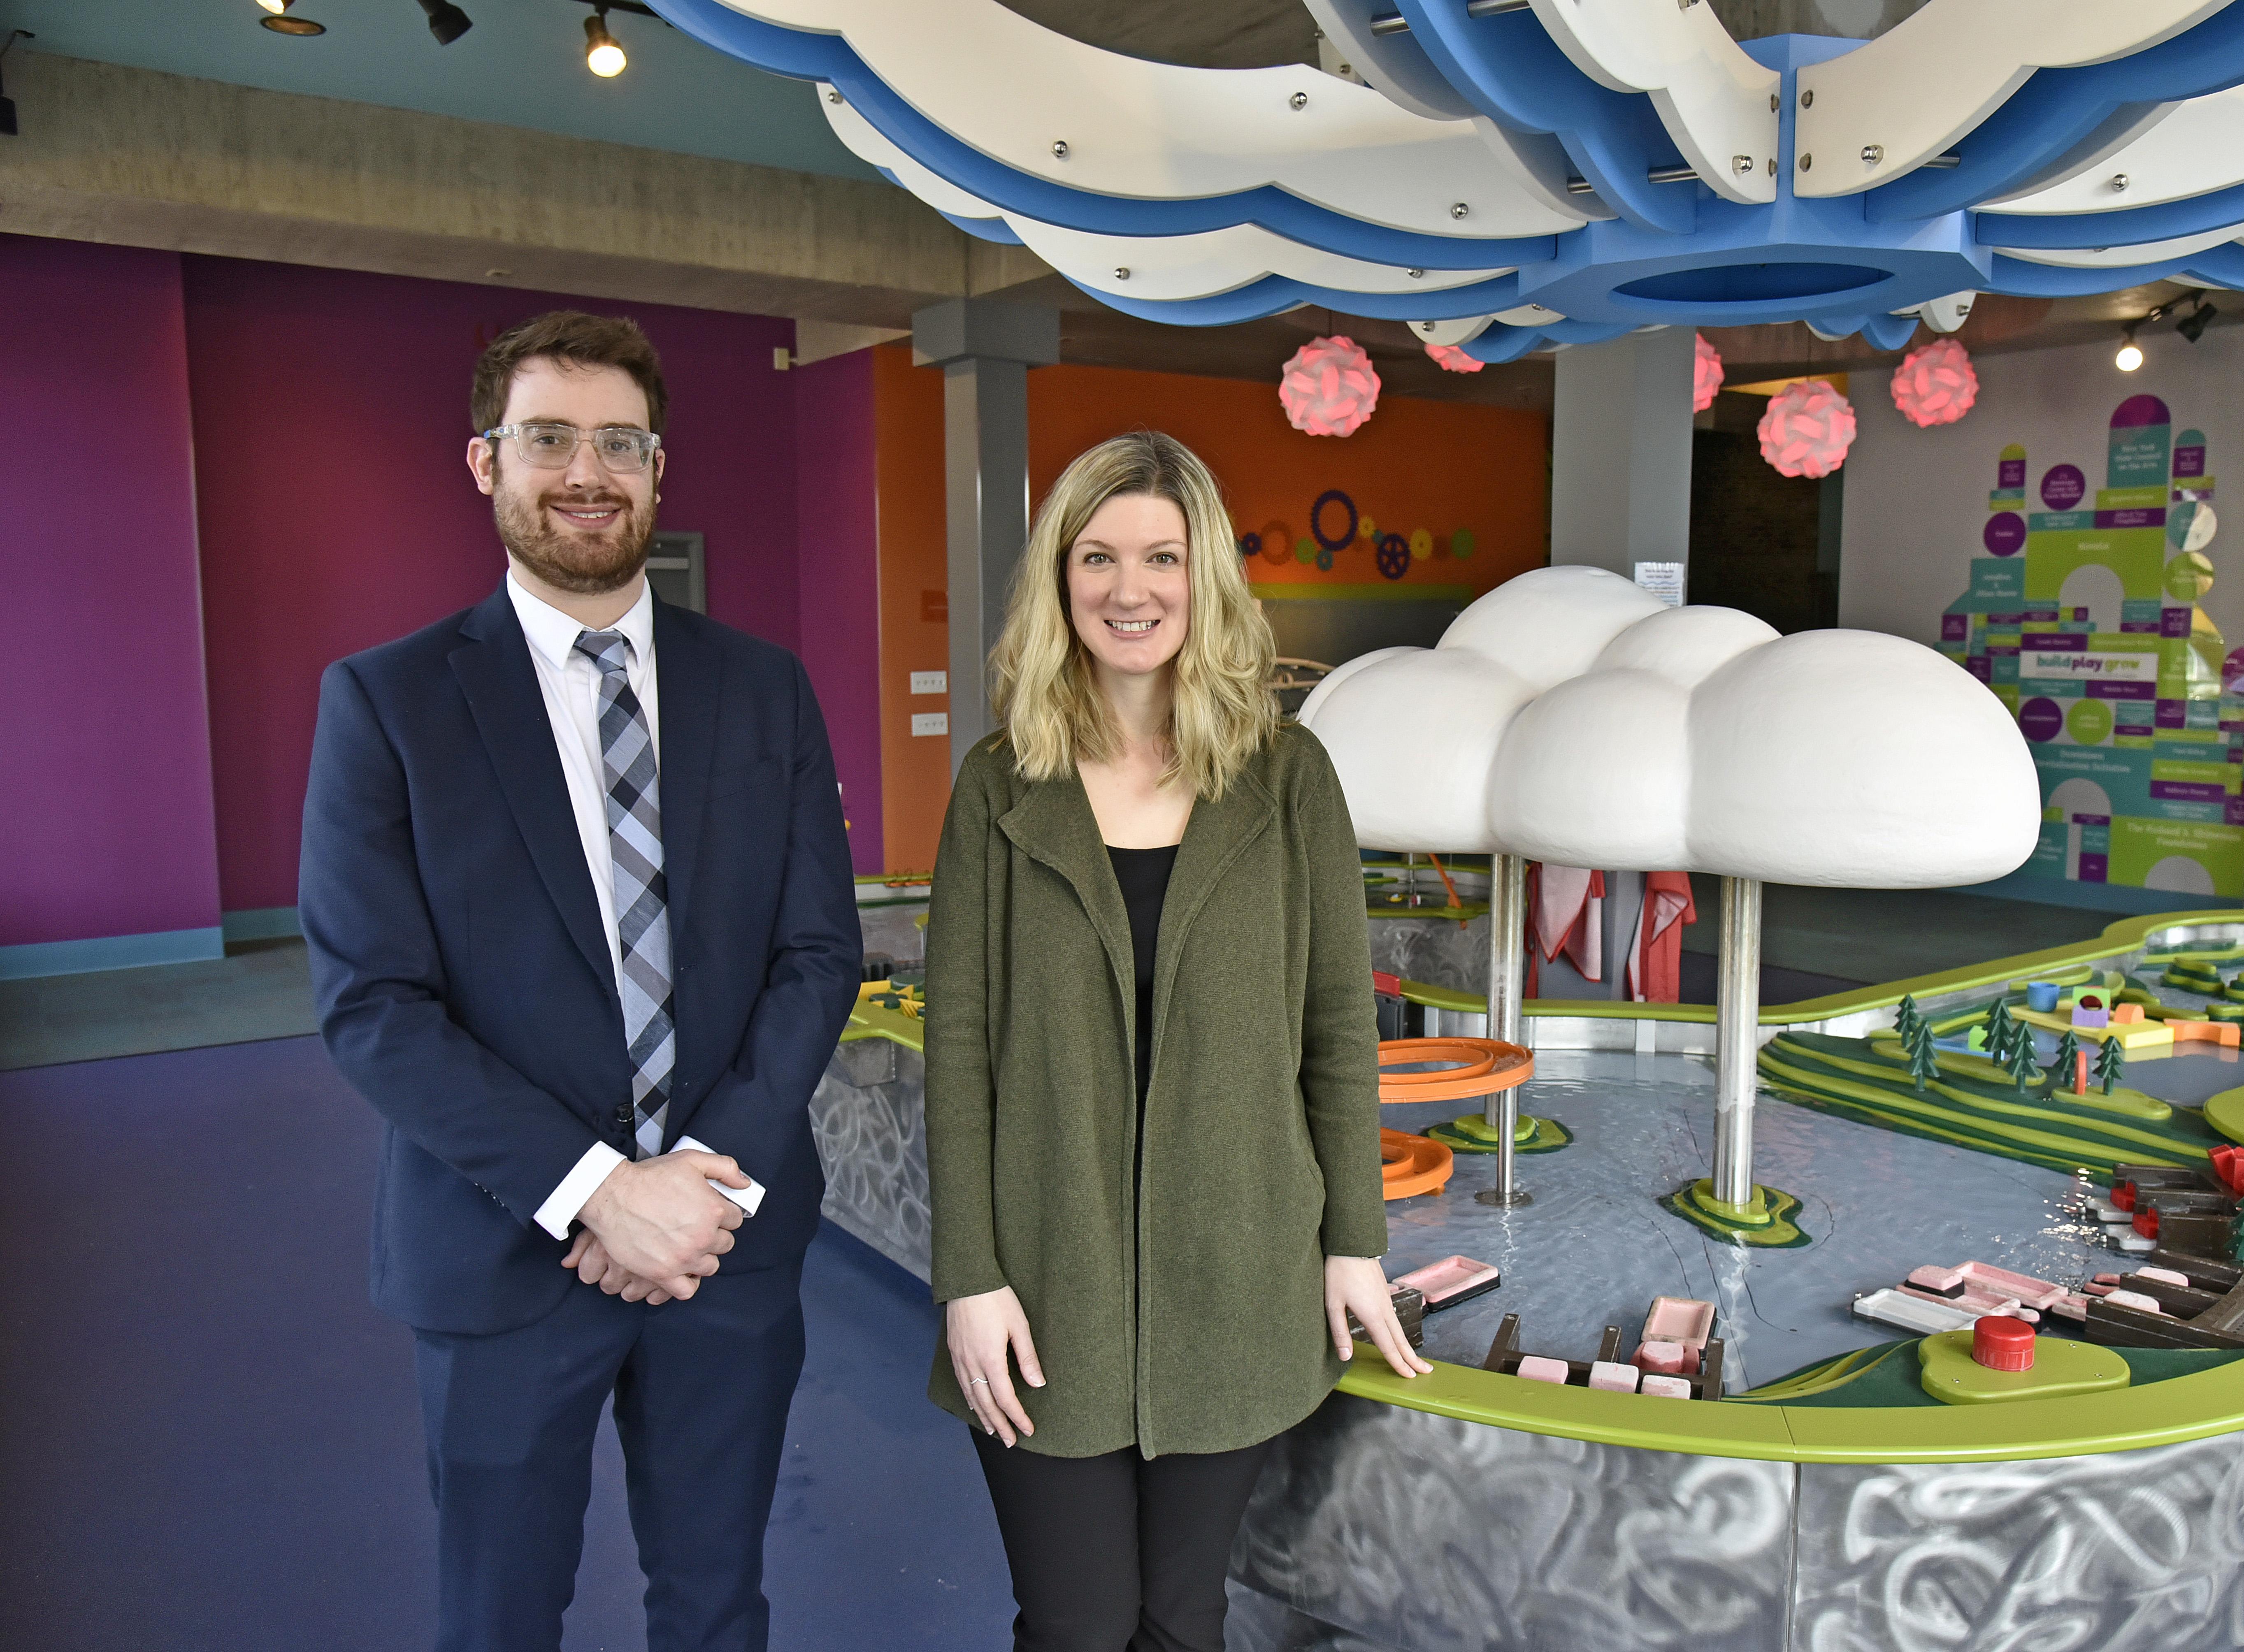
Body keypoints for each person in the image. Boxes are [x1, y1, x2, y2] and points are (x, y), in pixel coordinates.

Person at [300, 310, 862, 1652]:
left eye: (620, 441)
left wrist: (701, 1181)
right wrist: (605, 1193)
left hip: (725, 1250)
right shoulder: (388, 703)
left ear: (660, 471)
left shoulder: (763, 690)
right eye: (547, 437)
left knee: (719, 1601)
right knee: (499, 1617)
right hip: (503, 1249)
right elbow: (372, 1005)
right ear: (484, 463)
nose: (585, 472)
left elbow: (816, 953)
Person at [924, 431, 1429, 1652]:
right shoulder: (1001, 786)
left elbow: (1337, 1034)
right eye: (1097, 558)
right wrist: (969, 1276)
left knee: (1182, 1620)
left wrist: (1354, 1244)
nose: (1129, 589)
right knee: (1078, 1622)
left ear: (1206, 579)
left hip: (1239, 1273)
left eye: (1162, 557)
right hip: (1047, 1283)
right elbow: (960, 1047)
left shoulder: (1290, 779)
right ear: (1060, 580)